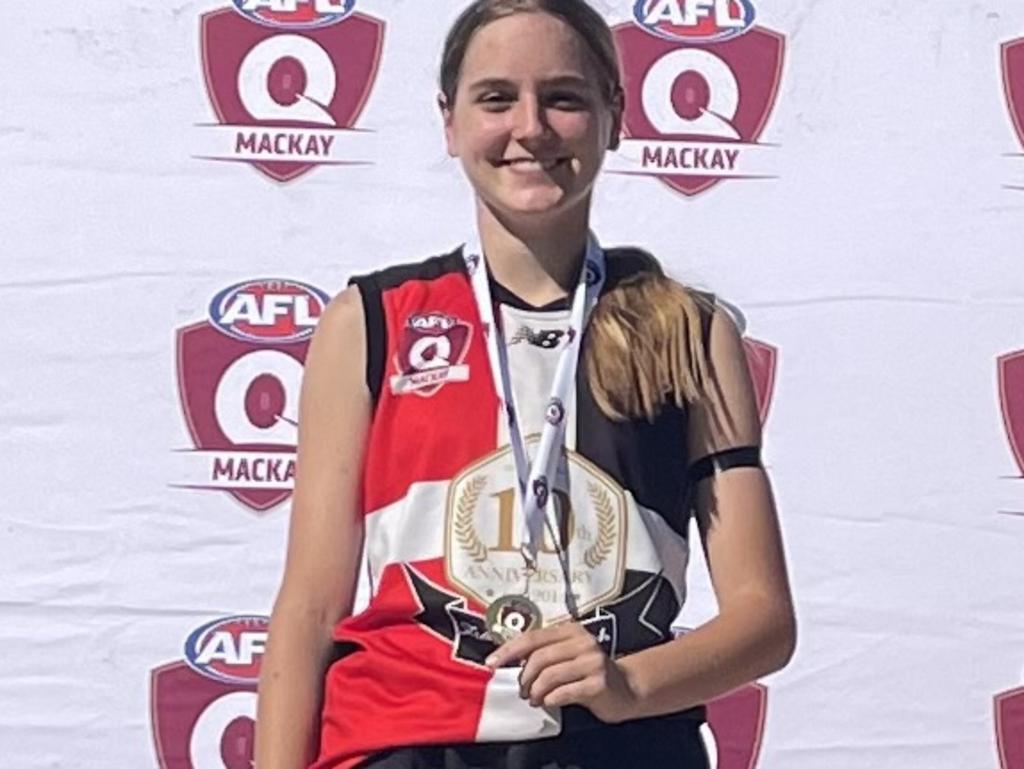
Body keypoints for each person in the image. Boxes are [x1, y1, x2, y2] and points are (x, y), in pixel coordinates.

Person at [254, 1, 796, 768]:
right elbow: (309, 608)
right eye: (497, 97)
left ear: (617, 113)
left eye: (565, 97)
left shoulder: (687, 328)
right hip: (407, 740)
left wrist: (628, 682)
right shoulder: (370, 321)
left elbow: (764, 617)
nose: (531, 126)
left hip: (618, 745)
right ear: (449, 122)